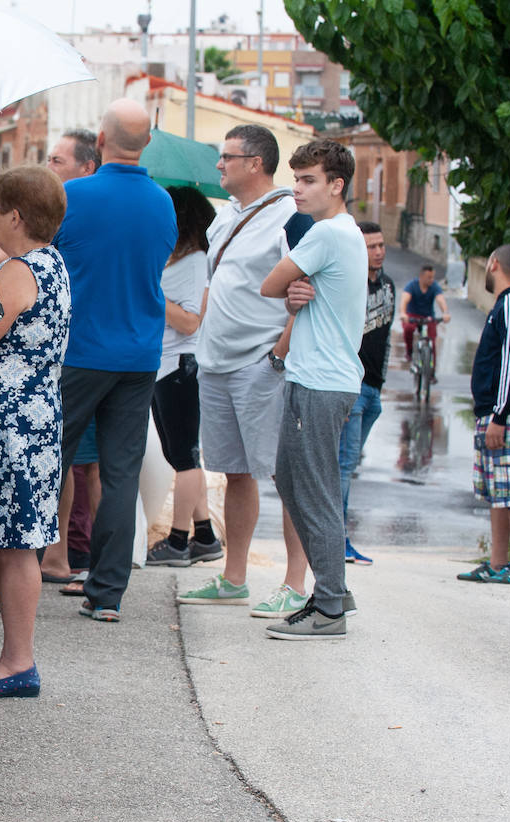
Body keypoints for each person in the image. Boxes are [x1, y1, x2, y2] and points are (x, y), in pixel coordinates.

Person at [177, 124, 315, 619]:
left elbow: (304, 294)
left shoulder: (289, 217)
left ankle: (296, 583)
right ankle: (234, 578)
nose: (219, 165)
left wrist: (277, 356)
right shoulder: (225, 218)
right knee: (235, 473)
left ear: (255, 163)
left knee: (285, 474)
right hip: (215, 361)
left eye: (227, 157)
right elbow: (218, 282)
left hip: (260, 364)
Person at [50, 99, 176, 623]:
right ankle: (106, 594)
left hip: (81, 351)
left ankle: (8, 576)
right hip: (140, 354)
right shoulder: (163, 202)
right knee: (120, 473)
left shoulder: (71, 196)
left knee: (47, 460)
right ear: (146, 144)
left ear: (100, 142)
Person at [0, 164, 70, 696]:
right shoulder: (49, 263)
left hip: (9, 426)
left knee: (16, 544)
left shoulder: (19, 271)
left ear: (15, 215)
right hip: (27, 420)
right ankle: (11, 658)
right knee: (9, 542)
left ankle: (19, 663)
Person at [258, 138, 367, 639]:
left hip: (321, 383)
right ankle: (334, 589)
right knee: (289, 475)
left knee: (314, 490)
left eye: (308, 180)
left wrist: (290, 289)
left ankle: (327, 608)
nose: (297, 189)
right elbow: (288, 290)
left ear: (336, 185)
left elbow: (270, 284)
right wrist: (296, 295)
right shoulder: (340, 233)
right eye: (296, 179)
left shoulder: (326, 235)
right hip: (317, 377)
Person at [145, 185, 225, 567]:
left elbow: (191, 321)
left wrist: (152, 295)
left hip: (181, 366)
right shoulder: (176, 261)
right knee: (180, 453)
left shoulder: (196, 262)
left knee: (186, 457)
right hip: (165, 365)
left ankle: (177, 542)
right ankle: (205, 535)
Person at [38, 127, 101, 586]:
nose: (48, 167)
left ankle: (65, 552)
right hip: (93, 355)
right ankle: (75, 552)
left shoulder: (71, 215)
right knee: (82, 463)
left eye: (57, 161)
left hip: (78, 357)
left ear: (86, 169)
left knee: (72, 462)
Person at [458, 244, 510, 585]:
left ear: (493, 264)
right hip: (496, 412)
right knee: (498, 489)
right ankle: (497, 562)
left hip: (507, 413)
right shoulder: (505, 306)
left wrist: (499, 415)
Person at [336, 221, 395, 566]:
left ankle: (340, 537)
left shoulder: (387, 285)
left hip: (373, 389)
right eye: (370, 246)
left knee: (349, 464)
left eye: (381, 245)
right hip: (352, 388)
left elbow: (385, 340)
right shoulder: (351, 284)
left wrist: (382, 385)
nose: (378, 252)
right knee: (344, 464)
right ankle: (339, 538)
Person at [400, 262, 450, 366]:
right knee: (408, 329)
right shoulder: (412, 285)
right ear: (421, 277)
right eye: (429, 277)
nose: (431, 280)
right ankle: (409, 351)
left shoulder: (434, 286)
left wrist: (445, 313)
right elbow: (405, 299)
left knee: (432, 340)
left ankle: (431, 371)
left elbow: (440, 299)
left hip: (428, 317)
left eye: (432, 277)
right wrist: (403, 313)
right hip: (412, 315)